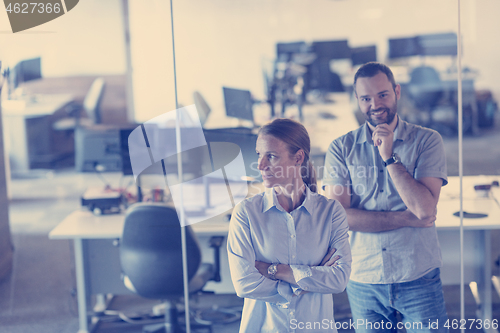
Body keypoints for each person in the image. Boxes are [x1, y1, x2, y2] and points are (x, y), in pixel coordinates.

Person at [323, 62, 449, 333]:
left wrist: (389, 157)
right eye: (366, 98)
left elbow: (425, 211)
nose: (375, 104)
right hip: (364, 279)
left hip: (417, 274)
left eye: (382, 95)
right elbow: (340, 217)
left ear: (397, 92)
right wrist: (406, 217)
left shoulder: (428, 141)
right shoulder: (341, 148)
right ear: (357, 100)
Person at [227, 118, 352, 333]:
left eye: (271, 156)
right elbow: (244, 283)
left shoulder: (330, 213)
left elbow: (339, 280)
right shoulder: (246, 213)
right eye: (259, 154)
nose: (260, 165)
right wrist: (307, 280)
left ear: (298, 157)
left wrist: (273, 270)